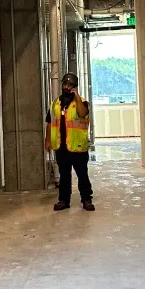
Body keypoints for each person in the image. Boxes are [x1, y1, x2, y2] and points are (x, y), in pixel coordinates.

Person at [45, 72, 95, 212]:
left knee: (82, 175)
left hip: (78, 147)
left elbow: (82, 112)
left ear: (75, 87)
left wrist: (77, 95)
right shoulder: (55, 103)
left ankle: (86, 199)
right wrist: (47, 140)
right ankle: (63, 200)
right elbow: (50, 123)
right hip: (62, 147)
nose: (67, 87)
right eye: (65, 84)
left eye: (70, 85)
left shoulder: (82, 102)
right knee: (64, 176)